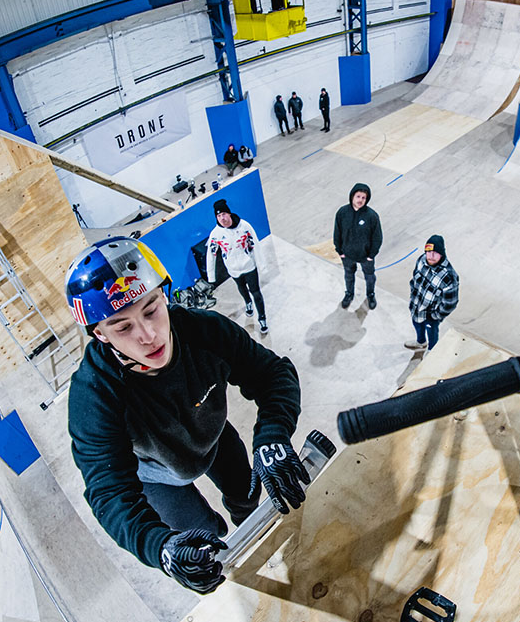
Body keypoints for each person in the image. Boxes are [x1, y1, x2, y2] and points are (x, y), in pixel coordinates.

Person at [65, 237, 306, 595]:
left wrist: (272, 437)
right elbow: (109, 490)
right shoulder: (93, 394)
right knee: (201, 543)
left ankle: (258, 536)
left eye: (150, 310)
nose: (148, 335)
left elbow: (272, 374)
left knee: (246, 493)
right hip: (155, 473)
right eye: (123, 327)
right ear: (99, 333)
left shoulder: (205, 331)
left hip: (212, 435)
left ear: (165, 294)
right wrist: (159, 548)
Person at [206, 199, 268, 334]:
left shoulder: (244, 226)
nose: (222, 218)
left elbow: (255, 244)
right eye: (218, 216)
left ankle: (262, 318)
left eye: (223, 214)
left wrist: (262, 265)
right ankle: (248, 303)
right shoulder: (216, 234)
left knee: (256, 292)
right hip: (233, 269)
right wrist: (211, 275)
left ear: (229, 213)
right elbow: (211, 255)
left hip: (249, 266)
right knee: (241, 288)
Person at [406, 235, 459, 352]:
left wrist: (436, 316)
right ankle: (421, 342)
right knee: (417, 324)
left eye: (436, 253)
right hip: (416, 306)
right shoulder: (421, 260)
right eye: (428, 252)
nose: (431, 256)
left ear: (442, 254)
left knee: (432, 332)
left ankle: (431, 352)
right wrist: (413, 297)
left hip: (431, 314)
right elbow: (414, 279)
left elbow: (451, 303)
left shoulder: (449, 276)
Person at [333, 182, 382, 310]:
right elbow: (337, 232)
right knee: (349, 275)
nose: (360, 200)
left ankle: (370, 295)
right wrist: (340, 251)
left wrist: (371, 255)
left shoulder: (372, 216)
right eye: (358, 196)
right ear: (352, 196)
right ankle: (349, 294)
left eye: (363, 198)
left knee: (370, 277)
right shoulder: (342, 213)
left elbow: (377, 238)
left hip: (366, 257)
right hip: (347, 255)